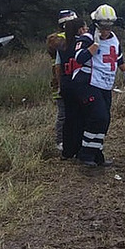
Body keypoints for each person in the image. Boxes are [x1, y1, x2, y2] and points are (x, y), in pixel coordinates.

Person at [72, 4, 125, 167]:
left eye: (109, 27)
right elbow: (79, 58)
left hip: (105, 84)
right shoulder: (87, 38)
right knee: (99, 117)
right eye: (103, 27)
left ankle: (97, 154)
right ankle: (86, 154)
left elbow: (118, 57)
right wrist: (94, 46)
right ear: (96, 24)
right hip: (87, 83)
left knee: (105, 120)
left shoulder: (114, 39)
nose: (106, 31)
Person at [46, 9, 78, 150]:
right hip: (60, 82)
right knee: (63, 114)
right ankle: (60, 141)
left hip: (72, 81)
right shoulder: (56, 39)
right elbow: (59, 47)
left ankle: (70, 139)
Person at [57, 17, 87, 159]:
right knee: (81, 117)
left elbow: (58, 67)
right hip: (79, 84)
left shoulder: (62, 45)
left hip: (65, 84)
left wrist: (60, 84)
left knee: (68, 118)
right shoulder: (81, 44)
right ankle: (79, 149)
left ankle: (67, 151)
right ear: (79, 29)